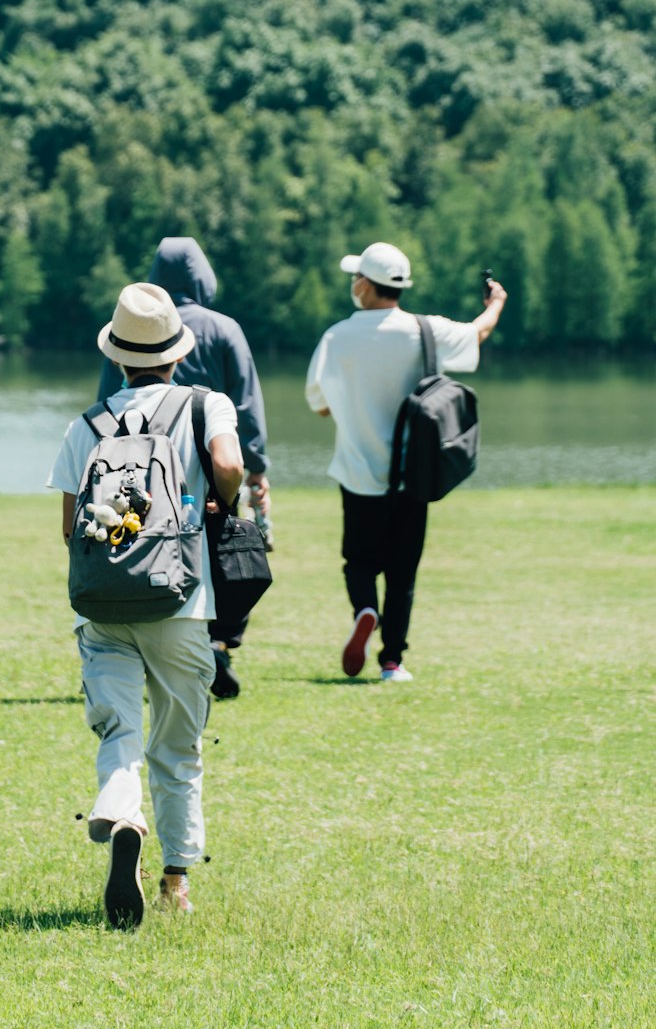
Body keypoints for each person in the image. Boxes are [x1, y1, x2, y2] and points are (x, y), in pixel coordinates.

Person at [49, 281, 244, 929]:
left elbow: (70, 526)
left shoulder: (89, 425)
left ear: (119, 354)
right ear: (175, 351)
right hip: (182, 602)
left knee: (119, 729)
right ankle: (176, 881)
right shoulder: (203, 405)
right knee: (179, 747)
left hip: (103, 605)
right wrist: (223, 499)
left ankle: (123, 813)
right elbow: (230, 464)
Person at [305, 242, 507, 682]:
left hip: (359, 474)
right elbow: (477, 334)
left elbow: (318, 404)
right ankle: (392, 661)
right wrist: (495, 304)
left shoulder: (337, 337)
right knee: (402, 572)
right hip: (413, 476)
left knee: (358, 561)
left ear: (364, 284)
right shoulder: (426, 331)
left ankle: (364, 610)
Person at [97, 236, 270, 699]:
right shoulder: (224, 328)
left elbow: (107, 405)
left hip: (141, 470)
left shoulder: (129, 331)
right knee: (229, 552)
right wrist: (255, 469)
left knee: (152, 548)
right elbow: (247, 404)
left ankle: (152, 643)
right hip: (212, 460)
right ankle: (218, 643)